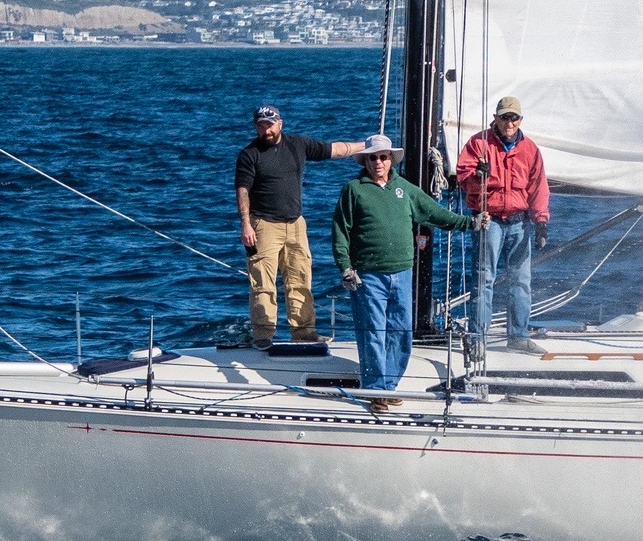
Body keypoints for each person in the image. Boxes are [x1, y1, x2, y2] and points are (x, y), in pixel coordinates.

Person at [332, 134, 488, 413]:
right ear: (365, 160)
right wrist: (345, 267)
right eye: (373, 157)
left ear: (391, 159)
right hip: (368, 276)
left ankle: (388, 386)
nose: (378, 162)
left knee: (401, 332)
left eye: (383, 157)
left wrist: (470, 223)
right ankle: (375, 390)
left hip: (402, 274)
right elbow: (340, 232)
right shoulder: (353, 190)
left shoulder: (405, 189)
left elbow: (436, 214)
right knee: (373, 333)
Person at [235, 105, 365, 350]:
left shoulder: (298, 144)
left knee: (300, 279)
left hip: (296, 224)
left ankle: (304, 333)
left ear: (280, 124)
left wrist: (367, 145)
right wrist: (245, 224)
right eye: (261, 126)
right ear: (256, 127)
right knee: (263, 283)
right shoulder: (249, 154)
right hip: (263, 226)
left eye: (270, 125)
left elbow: (334, 150)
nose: (267, 130)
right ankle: (263, 336)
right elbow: (242, 190)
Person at [456, 96, 550, 356]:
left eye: (514, 117)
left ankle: (519, 335)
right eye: (504, 117)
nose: (509, 122)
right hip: (490, 220)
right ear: (495, 118)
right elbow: (463, 178)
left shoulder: (530, 149)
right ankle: (478, 338)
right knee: (483, 280)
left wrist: (541, 221)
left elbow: (538, 187)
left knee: (521, 282)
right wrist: (478, 175)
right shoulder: (478, 144)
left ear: (521, 120)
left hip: (519, 222)